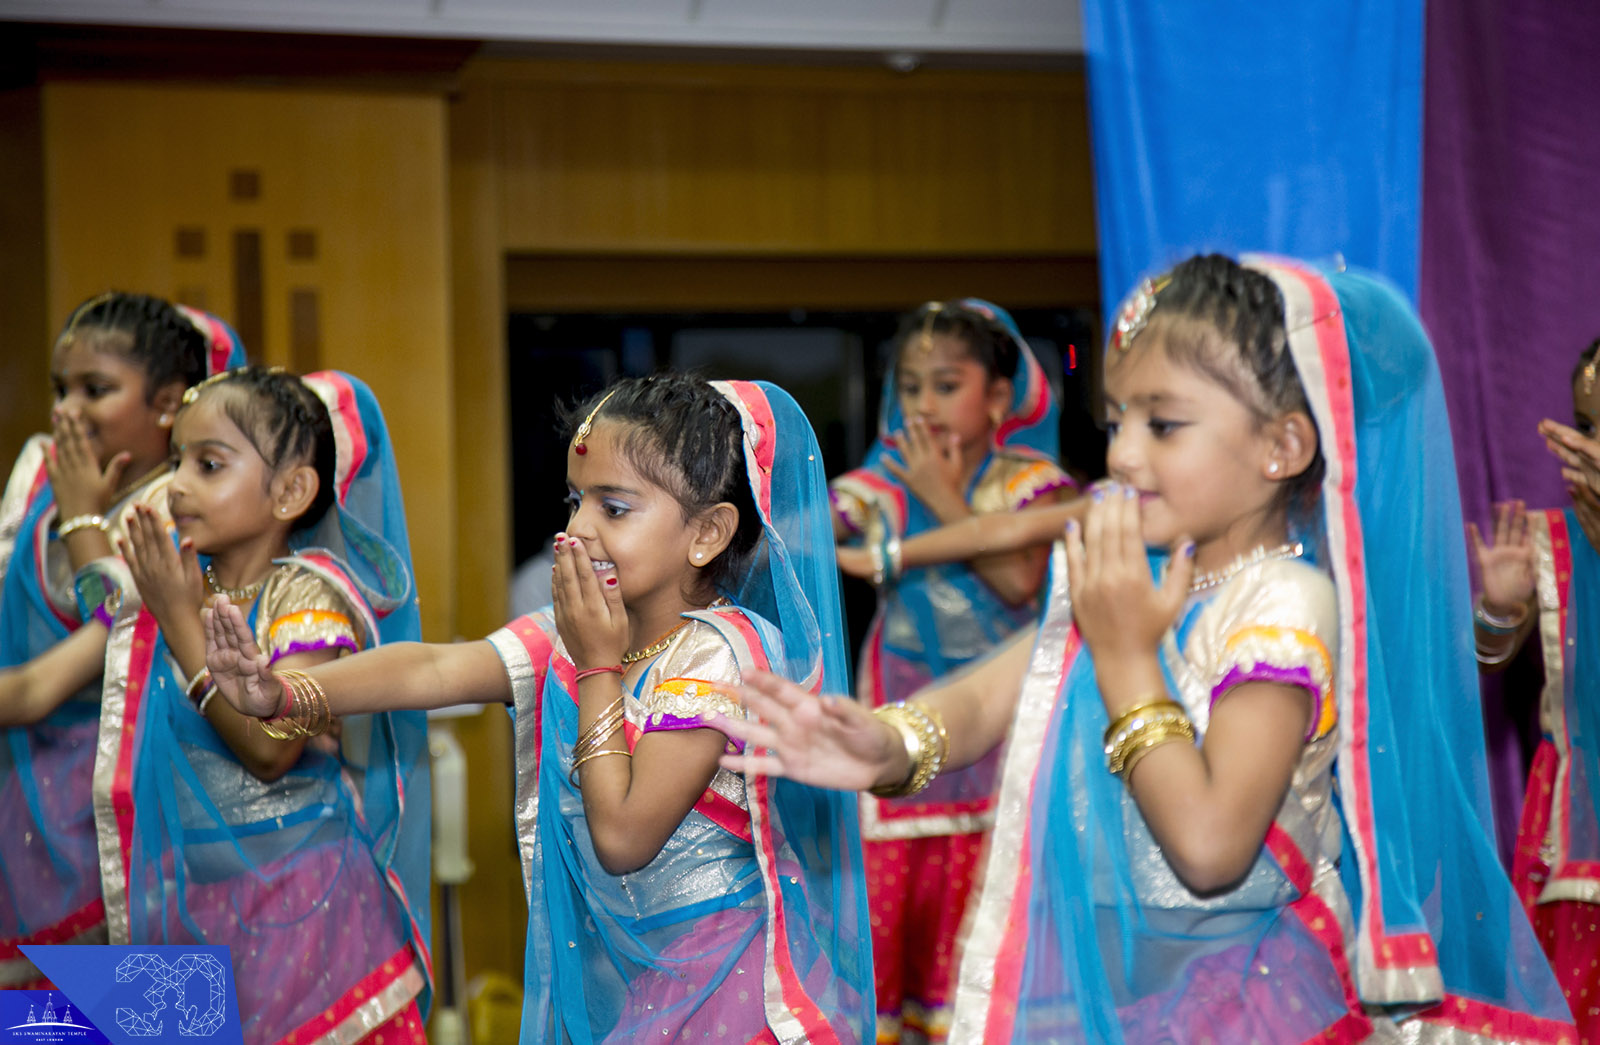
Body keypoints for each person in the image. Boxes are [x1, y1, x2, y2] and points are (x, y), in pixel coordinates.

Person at [720, 254, 1576, 1042]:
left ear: (1284, 444)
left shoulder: (1284, 599)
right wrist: (883, 741)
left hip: (1251, 1006)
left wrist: (1130, 661)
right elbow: (994, 692)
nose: (1122, 452)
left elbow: (1210, 848)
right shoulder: (1142, 568)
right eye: (1118, 418)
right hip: (1124, 1004)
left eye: (1163, 424)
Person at [205, 374, 873, 1044]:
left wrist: (597, 666)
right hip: (642, 987)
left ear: (705, 533)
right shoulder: (574, 639)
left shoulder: (719, 654)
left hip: (730, 986)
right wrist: (283, 693)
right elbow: (434, 666)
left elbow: (623, 838)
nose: (576, 529)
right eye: (574, 501)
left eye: (614, 508)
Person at [99, 367, 432, 1045]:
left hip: (306, 911)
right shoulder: (182, 583)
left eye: (209, 463)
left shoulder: (308, 597)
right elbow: (65, 650)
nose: (179, 484)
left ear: (290, 491)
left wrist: (178, 618)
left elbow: (270, 749)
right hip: (196, 902)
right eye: (176, 461)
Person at [829, 299, 1073, 1043]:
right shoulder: (880, 483)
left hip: (1004, 745)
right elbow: (817, 529)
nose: (923, 404)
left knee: (984, 928)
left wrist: (942, 500)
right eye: (910, 387)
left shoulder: (1033, 484)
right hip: (903, 731)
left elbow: (1020, 584)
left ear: (998, 398)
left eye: (945, 384)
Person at [0, 292, 243, 987]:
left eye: (95, 390)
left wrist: (82, 520)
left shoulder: (182, 516)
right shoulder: (38, 483)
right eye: (59, 389)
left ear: (167, 402)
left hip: (143, 837)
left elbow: (62, 669)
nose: (65, 411)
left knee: (146, 1018)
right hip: (35, 817)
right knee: (41, 1025)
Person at [1473, 338, 1600, 1039]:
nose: (1591, 448)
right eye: (1585, 427)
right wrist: (1498, 609)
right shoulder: (1550, 541)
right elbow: (1486, 660)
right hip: (1571, 833)